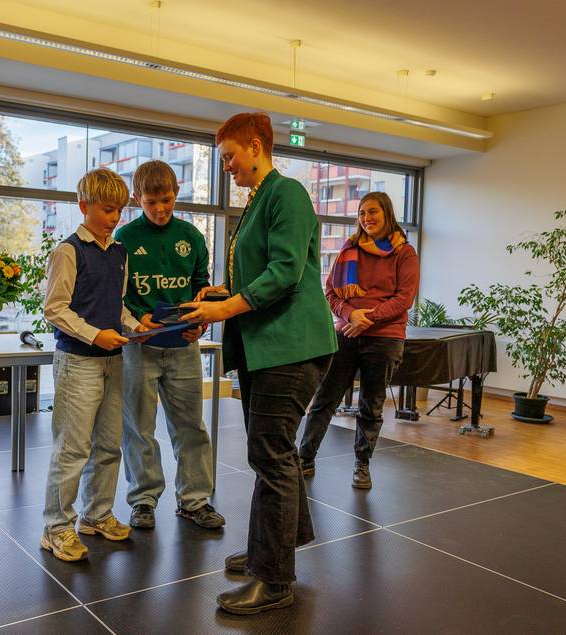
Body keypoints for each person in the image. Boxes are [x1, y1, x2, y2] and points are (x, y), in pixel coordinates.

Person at [181, 112, 337, 615]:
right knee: (276, 454)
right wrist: (222, 294)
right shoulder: (257, 202)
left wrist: (226, 307)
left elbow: (287, 272)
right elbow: (262, 273)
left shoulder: (286, 192)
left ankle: (273, 579)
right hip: (267, 347)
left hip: (290, 348)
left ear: (255, 146)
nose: (225, 166)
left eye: (228, 156)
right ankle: (280, 543)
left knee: (269, 457)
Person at [41, 168, 147, 562]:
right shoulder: (67, 251)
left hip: (112, 361)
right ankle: (55, 528)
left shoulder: (118, 252)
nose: (114, 217)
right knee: (72, 449)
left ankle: (96, 514)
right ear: (83, 205)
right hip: (77, 363)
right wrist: (94, 334)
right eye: (106, 209)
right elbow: (55, 309)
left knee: (108, 445)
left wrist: (136, 325)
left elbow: (116, 305)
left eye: (119, 209)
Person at [116, 160, 225, 531]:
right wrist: (135, 321)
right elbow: (117, 295)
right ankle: (143, 499)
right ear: (137, 199)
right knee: (139, 428)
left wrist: (201, 321)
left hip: (183, 346)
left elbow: (202, 290)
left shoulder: (192, 237)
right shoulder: (124, 239)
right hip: (139, 346)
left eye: (166, 200)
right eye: (151, 202)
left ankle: (194, 501)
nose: (160, 209)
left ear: (177, 193)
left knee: (190, 426)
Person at [298, 192, 419, 488]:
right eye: (363, 213)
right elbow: (331, 291)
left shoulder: (405, 253)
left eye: (373, 212)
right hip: (347, 333)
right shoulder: (350, 248)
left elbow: (405, 298)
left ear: (387, 213)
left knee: (371, 406)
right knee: (325, 399)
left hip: (385, 338)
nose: (367, 218)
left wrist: (370, 317)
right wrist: (351, 314)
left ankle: (362, 464)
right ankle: (304, 458)